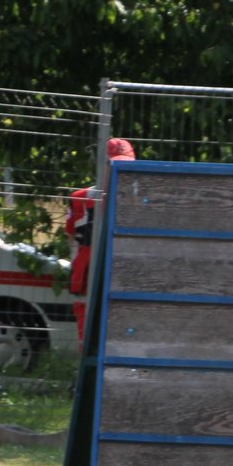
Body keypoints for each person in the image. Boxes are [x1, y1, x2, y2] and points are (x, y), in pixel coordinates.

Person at [65, 138, 135, 340]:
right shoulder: (79, 199)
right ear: (102, 165)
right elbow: (71, 238)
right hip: (87, 282)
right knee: (87, 341)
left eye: (125, 165)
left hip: (121, 281)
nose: (119, 171)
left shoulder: (138, 201)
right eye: (113, 165)